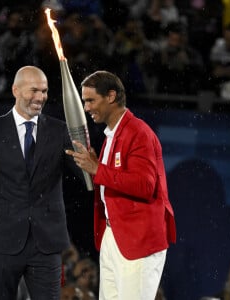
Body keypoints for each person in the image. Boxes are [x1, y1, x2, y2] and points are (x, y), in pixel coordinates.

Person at [0, 65, 82, 300]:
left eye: (44, 91)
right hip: (2, 243)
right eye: (34, 90)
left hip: (46, 245)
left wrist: (95, 163)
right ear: (15, 90)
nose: (40, 97)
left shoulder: (59, 131)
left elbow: (85, 174)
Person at [66, 70, 176, 300]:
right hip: (114, 235)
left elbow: (145, 186)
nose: (86, 108)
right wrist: (96, 167)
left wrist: (98, 169)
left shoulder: (138, 133)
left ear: (111, 96)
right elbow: (112, 182)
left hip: (138, 238)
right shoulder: (111, 136)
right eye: (84, 101)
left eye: (91, 100)